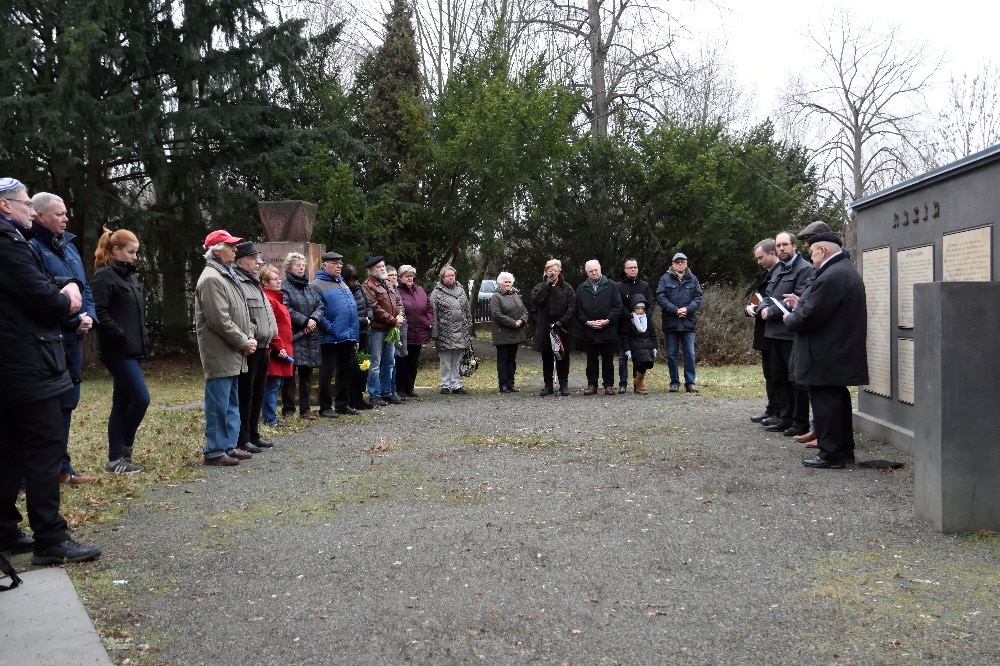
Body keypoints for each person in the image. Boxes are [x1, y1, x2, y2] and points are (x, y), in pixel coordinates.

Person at [0, 177, 101, 564]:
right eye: (25, 204)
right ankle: (50, 538)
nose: (29, 209)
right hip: (27, 362)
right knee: (45, 448)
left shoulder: (15, 243)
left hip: (15, 362)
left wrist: (65, 286)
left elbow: (36, 282)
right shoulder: (7, 242)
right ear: (6, 206)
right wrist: (68, 298)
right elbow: (39, 296)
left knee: (9, 448)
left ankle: (5, 528)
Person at [28, 192, 98, 483]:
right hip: (48, 341)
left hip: (73, 342)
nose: (66, 218)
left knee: (68, 403)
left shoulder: (68, 247)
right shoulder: (31, 247)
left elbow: (85, 289)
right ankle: (25, 477)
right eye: (59, 214)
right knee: (44, 410)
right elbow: (38, 295)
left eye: (66, 213)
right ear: (40, 216)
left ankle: (61, 468)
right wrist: (72, 320)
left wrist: (89, 317)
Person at [783, 232, 869, 469]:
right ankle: (842, 450)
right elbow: (823, 307)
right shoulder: (842, 271)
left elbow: (810, 316)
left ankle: (831, 455)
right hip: (835, 350)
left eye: (811, 252)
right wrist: (801, 304)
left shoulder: (832, 275)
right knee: (836, 400)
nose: (810, 257)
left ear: (823, 251)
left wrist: (790, 317)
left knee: (827, 403)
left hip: (826, 353)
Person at [90, 226, 151, 474]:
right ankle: (124, 448)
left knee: (121, 402)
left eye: (136, 252)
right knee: (141, 398)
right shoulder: (104, 276)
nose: (135, 257)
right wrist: (119, 334)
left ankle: (116, 460)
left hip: (134, 349)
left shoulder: (130, 277)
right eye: (131, 252)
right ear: (115, 250)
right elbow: (99, 312)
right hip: (117, 351)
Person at [194, 230, 256, 466]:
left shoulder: (226, 275)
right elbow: (219, 320)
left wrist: (248, 336)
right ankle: (215, 449)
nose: (235, 250)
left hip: (233, 349)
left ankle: (228, 445)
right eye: (230, 246)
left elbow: (242, 311)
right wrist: (243, 341)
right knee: (218, 402)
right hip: (220, 350)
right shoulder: (211, 278)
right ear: (216, 250)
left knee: (231, 401)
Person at [760, 232, 812, 437]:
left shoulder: (804, 269)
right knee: (778, 377)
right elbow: (768, 295)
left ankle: (800, 422)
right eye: (779, 245)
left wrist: (770, 312)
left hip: (790, 333)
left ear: (794, 246)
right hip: (773, 333)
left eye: (785, 245)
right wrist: (762, 308)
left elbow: (798, 298)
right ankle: (785, 418)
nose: (781, 248)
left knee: (796, 380)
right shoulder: (778, 269)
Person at [232, 242, 277, 452]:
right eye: (253, 259)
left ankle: (254, 433)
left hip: (264, 345)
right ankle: (244, 437)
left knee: (258, 392)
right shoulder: (238, 282)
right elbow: (242, 315)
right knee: (246, 393)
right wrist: (251, 335)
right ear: (240, 261)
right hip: (251, 347)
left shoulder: (255, 283)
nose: (258, 262)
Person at [312, 252, 361, 417]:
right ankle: (325, 407)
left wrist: (354, 336)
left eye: (340, 263)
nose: (339, 266)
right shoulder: (317, 285)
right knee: (327, 373)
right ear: (324, 265)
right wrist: (331, 328)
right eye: (334, 263)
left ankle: (342, 403)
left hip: (347, 336)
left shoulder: (343, 284)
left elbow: (351, 310)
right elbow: (317, 311)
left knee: (346, 371)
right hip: (329, 337)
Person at [280, 252, 323, 420]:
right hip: (295, 335)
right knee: (290, 375)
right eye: (298, 265)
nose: (301, 268)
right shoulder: (285, 287)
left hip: (310, 336)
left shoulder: (310, 287)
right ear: (289, 267)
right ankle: (289, 409)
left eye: (303, 265)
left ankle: (305, 409)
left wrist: (313, 319)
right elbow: (286, 309)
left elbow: (320, 305)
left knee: (307, 376)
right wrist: (305, 321)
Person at [656, 252, 703, 393]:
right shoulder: (664, 279)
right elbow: (660, 297)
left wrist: (687, 309)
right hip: (671, 323)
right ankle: (674, 382)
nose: (680, 264)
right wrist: (675, 310)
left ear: (686, 263)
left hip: (688, 323)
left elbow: (698, 297)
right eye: (677, 262)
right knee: (671, 354)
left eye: (682, 261)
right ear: (673, 264)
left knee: (690, 353)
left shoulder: (693, 279)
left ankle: (690, 383)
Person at [745, 239, 780, 424]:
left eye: (761, 257)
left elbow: (774, 299)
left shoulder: (780, 273)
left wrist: (758, 309)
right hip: (764, 330)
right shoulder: (766, 275)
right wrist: (749, 308)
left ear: (772, 253)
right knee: (769, 372)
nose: (758, 262)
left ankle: (779, 411)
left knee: (777, 373)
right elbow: (758, 297)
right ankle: (771, 408)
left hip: (776, 329)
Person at [576, 260, 623, 395]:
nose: (594, 273)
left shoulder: (612, 286)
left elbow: (617, 306)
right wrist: (586, 322)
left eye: (596, 270)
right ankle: (592, 384)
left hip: (608, 329)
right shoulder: (581, 288)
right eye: (591, 271)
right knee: (591, 359)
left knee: (608, 359)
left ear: (600, 269)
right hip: (589, 330)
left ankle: (608, 385)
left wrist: (608, 320)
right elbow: (578, 309)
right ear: (587, 273)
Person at [362, 256, 404, 405]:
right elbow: (375, 308)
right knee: (375, 362)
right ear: (371, 270)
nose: (382, 269)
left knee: (389, 362)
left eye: (383, 266)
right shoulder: (368, 285)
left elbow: (397, 300)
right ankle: (375, 394)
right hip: (377, 329)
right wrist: (393, 320)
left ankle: (387, 392)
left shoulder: (387, 283)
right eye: (379, 267)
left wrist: (399, 315)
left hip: (391, 327)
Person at [531, 259, 576, 396]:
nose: (553, 273)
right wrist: (547, 286)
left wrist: (562, 322)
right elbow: (536, 302)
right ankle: (548, 385)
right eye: (550, 270)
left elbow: (572, 308)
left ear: (560, 271)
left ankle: (564, 384)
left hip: (562, 328)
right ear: (545, 272)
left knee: (563, 357)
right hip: (545, 328)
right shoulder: (540, 287)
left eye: (555, 270)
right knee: (547, 358)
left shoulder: (567, 288)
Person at [430, 265, 473, 394]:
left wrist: (468, 325)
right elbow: (433, 314)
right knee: (445, 361)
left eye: (453, 275)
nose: (451, 278)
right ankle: (445, 384)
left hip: (461, 331)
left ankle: (457, 385)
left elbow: (467, 310)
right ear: (442, 277)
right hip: (445, 332)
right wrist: (435, 333)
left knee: (457, 360)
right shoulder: (436, 293)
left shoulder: (461, 290)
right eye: (448, 276)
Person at [260, 264, 293, 427]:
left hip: (283, 347)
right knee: (272, 385)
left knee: (276, 384)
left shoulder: (276, 298)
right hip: (276, 349)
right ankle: (269, 418)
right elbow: (271, 327)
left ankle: (269, 416)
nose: (279, 281)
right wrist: (279, 347)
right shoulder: (269, 300)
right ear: (265, 283)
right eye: (274, 279)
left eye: (279, 278)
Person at [616, 257, 653, 393]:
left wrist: (644, 318)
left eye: (635, 267)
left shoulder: (644, 286)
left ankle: (637, 382)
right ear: (625, 270)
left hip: (642, 328)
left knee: (641, 355)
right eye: (630, 267)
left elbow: (650, 304)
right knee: (623, 356)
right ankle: (623, 383)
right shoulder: (619, 286)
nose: (633, 269)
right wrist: (630, 316)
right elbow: (618, 305)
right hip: (624, 325)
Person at [396, 264, 433, 398]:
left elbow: (429, 307)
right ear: (400, 278)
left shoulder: (420, 290)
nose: (410, 278)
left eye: (411, 276)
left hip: (419, 331)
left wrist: (428, 322)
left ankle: (410, 387)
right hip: (405, 331)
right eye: (407, 276)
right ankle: (400, 388)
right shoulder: (397, 290)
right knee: (402, 362)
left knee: (413, 362)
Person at [490, 271, 529, 393]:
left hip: (515, 333)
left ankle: (511, 384)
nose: (508, 284)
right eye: (505, 282)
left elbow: (524, 311)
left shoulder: (515, 294)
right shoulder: (496, 296)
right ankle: (503, 384)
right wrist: (513, 323)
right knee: (503, 360)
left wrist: (522, 320)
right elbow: (497, 315)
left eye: (510, 282)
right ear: (500, 283)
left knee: (512, 360)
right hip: (503, 333)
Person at [344, 264, 374, 410]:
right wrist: (363, 320)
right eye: (351, 281)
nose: (354, 283)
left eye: (356, 280)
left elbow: (368, 305)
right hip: (352, 332)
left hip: (364, 332)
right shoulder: (343, 290)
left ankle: (359, 396)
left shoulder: (360, 288)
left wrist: (369, 317)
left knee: (364, 365)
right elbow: (347, 312)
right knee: (352, 366)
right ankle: (350, 398)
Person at [620, 294, 658, 394]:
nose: (640, 311)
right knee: (641, 362)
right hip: (635, 346)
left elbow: (653, 334)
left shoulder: (647, 320)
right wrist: (627, 349)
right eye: (638, 308)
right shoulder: (629, 321)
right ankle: (639, 384)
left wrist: (655, 346)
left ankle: (638, 381)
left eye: (642, 308)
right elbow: (625, 337)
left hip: (647, 345)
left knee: (648, 363)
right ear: (633, 308)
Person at [386, 265, 407, 402]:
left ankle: (394, 390)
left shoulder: (395, 290)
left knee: (395, 361)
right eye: (391, 275)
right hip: (388, 327)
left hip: (398, 326)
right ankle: (388, 390)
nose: (394, 277)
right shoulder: (386, 290)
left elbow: (400, 307)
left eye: (395, 275)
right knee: (388, 362)